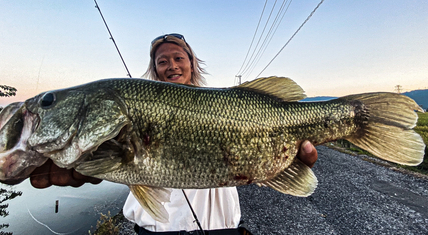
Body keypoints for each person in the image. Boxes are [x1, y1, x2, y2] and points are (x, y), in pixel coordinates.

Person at [28, 33, 318, 233]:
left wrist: (281, 164)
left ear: (192, 63)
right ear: (154, 69)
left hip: (221, 228)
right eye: (162, 61)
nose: (172, 66)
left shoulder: (228, 107)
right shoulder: (131, 110)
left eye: (178, 58)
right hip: (156, 230)